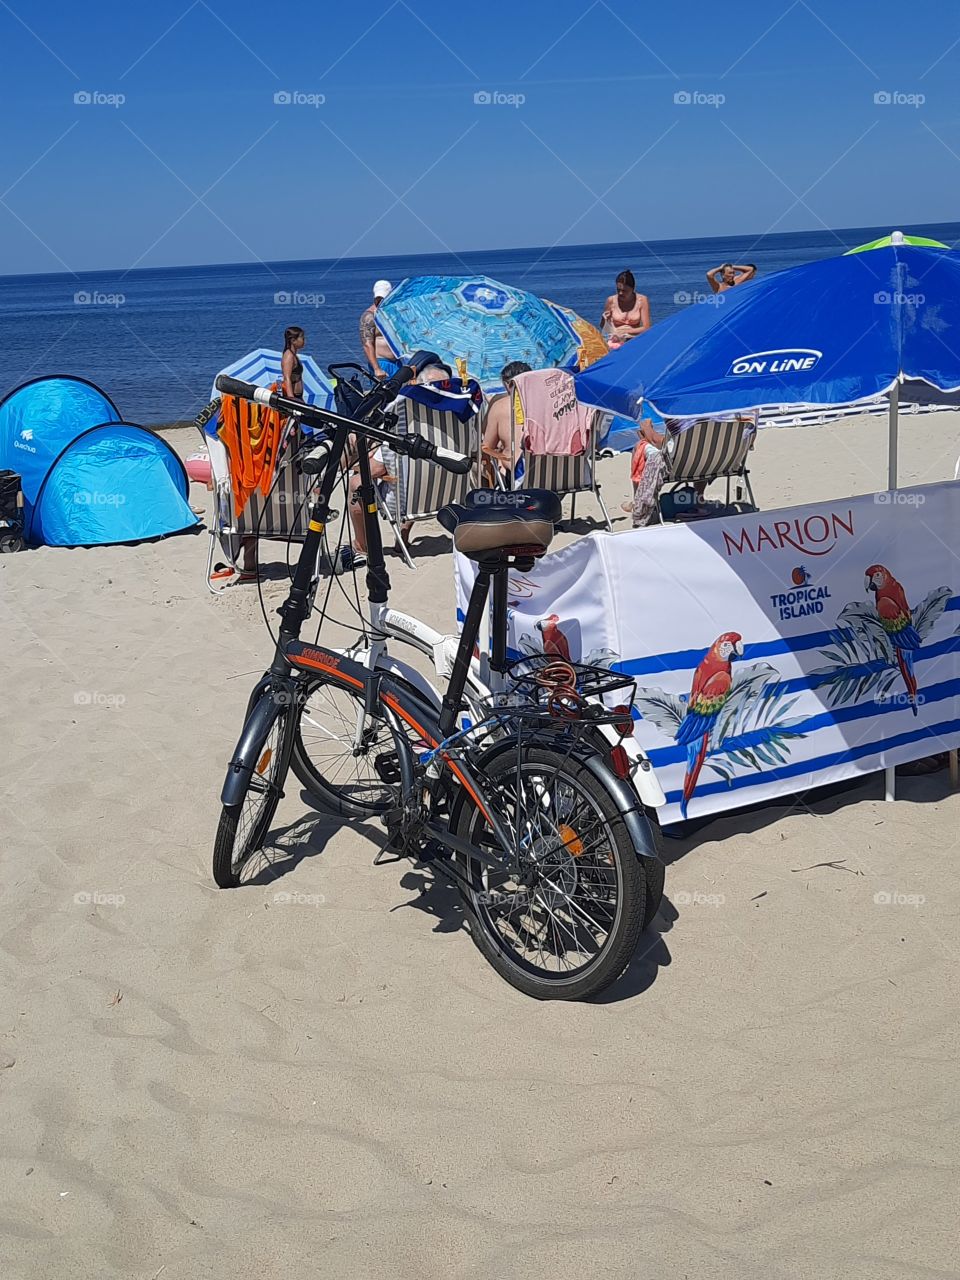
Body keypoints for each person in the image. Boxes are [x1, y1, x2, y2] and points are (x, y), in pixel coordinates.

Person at [341, 362, 453, 570]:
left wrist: (357, 466)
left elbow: (375, 470)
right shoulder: (458, 423)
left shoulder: (407, 422)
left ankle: (361, 546)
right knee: (416, 474)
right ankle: (403, 535)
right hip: (446, 494)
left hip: (407, 498)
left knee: (357, 483)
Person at [482, 361, 531, 483]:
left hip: (520, 478)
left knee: (497, 459)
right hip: (558, 477)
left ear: (507, 384)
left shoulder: (501, 406)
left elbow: (486, 448)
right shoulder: (550, 403)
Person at [359, 280, 400, 380]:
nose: (380, 301)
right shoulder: (369, 316)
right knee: (386, 394)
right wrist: (377, 368)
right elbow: (367, 344)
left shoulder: (394, 313)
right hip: (382, 363)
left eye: (383, 298)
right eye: (378, 298)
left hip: (399, 362)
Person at [600, 270, 651, 347]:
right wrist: (604, 319)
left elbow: (646, 328)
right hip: (615, 340)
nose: (620, 293)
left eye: (624, 291)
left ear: (632, 289)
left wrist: (627, 331)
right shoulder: (611, 300)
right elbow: (603, 327)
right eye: (618, 290)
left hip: (633, 338)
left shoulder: (642, 300)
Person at [281, 325, 305, 400]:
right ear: (293, 340)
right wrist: (291, 398)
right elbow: (286, 378)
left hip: (298, 396)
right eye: (302, 338)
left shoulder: (294, 355)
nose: (304, 340)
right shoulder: (289, 356)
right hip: (294, 397)